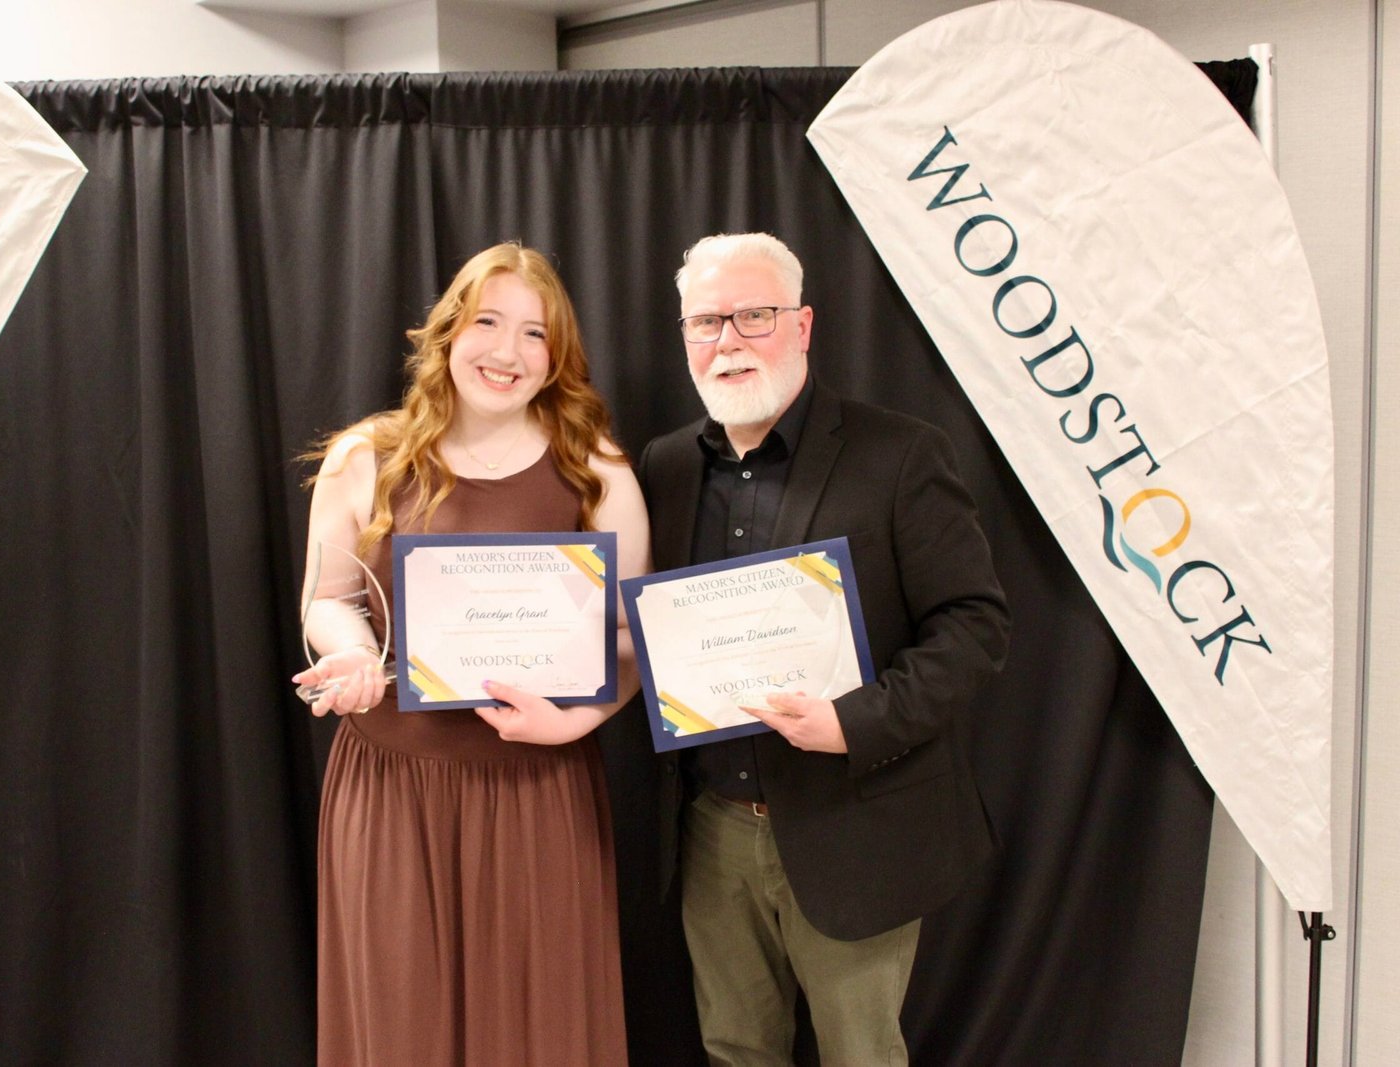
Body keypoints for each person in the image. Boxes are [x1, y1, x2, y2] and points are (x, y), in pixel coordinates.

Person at [637, 233, 1010, 1065]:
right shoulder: (664, 466)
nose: (727, 339)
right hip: (712, 833)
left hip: (856, 821)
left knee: (862, 1056)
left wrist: (858, 719)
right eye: (705, 321)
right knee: (734, 1049)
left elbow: (976, 625)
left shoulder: (900, 453)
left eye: (753, 315)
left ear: (802, 325)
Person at [292, 243, 649, 1066]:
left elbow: (630, 637)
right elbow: (329, 600)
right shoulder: (362, 458)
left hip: (538, 789)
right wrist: (350, 656)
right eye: (487, 322)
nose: (507, 352)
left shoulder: (596, 468)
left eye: (535, 333)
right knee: (400, 1027)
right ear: (448, 332)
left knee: (539, 1031)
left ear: (556, 356)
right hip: (391, 787)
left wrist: (576, 724)